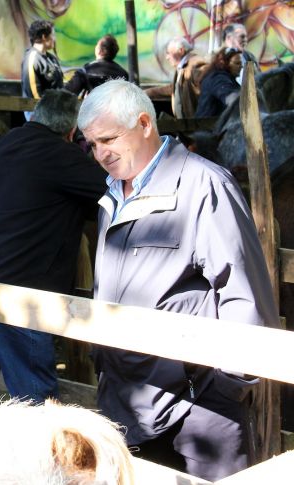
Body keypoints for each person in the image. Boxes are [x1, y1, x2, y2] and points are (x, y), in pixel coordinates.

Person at [77, 80, 278, 481]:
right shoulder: (112, 194)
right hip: (127, 401)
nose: (100, 154)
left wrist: (225, 387)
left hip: (198, 408)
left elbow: (245, 294)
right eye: (92, 144)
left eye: (108, 139)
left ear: (145, 123)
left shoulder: (203, 185)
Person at [0, 89, 108, 406]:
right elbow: (114, 193)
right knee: (35, 403)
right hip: (19, 294)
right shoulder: (63, 157)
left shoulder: (5, 143)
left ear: (35, 116)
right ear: (71, 131)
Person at [144, 37, 207, 119]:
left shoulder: (195, 65)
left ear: (181, 50)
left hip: (195, 124)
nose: (167, 57)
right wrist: (150, 92)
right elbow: (176, 88)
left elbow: (204, 92)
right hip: (187, 124)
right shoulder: (182, 67)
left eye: (168, 53)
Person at [21, 20, 63, 120]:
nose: (54, 38)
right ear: (44, 37)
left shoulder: (51, 58)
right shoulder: (32, 59)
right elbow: (34, 94)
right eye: (53, 35)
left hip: (54, 111)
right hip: (41, 114)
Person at [195, 47, 242, 118]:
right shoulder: (218, 79)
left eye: (241, 63)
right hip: (208, 127)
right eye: (237, 63)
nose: (241, 66)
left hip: (213, 126)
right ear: (224, 63)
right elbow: (231, 98)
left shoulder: (226, 78)